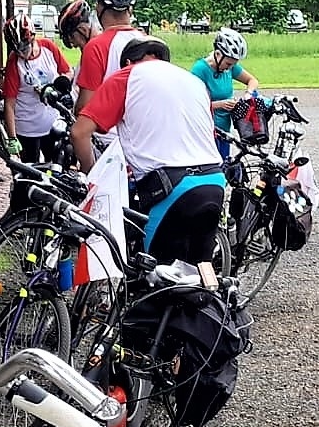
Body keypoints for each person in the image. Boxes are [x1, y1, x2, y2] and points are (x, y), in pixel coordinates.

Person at [71, 36, 227, 266]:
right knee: (197, 275)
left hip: (172, 189)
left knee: (155, 279)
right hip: (214, 182)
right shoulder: (193, 82)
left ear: (127, 61)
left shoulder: (128, 76)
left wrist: (93, 180)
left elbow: (79, 132)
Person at [1, 14, 71, 162]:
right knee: (30, 175)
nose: (22, 52)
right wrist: (12, 137)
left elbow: (68, 72)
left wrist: (56, 89)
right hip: (27, 128)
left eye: (25, 46)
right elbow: (9, 103)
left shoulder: (48, 47)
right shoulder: (14, 62)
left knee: (55, 171)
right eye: (17, 49)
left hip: (53, 124)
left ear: (32, 37)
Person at [191, 28, 261, 161]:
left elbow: (252, 81)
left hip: (224, 131)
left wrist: (248, 94)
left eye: (233, 64)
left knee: (226, 169)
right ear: (217, 54)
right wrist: (220, 104)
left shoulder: (229, 68)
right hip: (206, 132)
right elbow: (190, 104)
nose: (229, 68)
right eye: (228, 63)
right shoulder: (200, 70)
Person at [73, 0, 140, 113]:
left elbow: (85, 106)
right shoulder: (148, 41)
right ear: (130, 9)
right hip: (139, 130)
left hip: (104, 133)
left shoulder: (96, 47)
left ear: (99, 8)